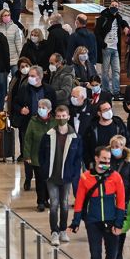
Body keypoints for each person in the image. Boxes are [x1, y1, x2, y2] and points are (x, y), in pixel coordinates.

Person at [69, 146, 127, 259]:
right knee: (95, 254)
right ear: (96, 158)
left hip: (111, 220)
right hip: (93, 221)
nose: (106, 162)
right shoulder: (85, 177)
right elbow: (79, 201)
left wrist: (119, 222)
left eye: (108, 159)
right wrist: (76, 222)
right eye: (104, 159)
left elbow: (121, 201)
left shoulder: (116, 177)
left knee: (112, 254)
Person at [38, 105, 83, 245]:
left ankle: (63, 230)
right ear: (55, 117)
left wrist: (74, 173)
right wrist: (45, 169)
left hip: (67, 177)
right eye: (59, 116)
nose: (61, 119)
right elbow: (42, 155)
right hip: (52, 176)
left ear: (68, 117)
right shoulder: (48, 135)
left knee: (64, 204)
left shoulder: (75, 137)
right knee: (54, 204)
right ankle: (54, 232)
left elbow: (78, 158)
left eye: (64, 116)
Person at [13, 66, 57, 189]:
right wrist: (21, 109)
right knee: (28, 151)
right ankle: (28, 177)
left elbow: (55, 105)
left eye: (33, 76)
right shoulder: (24, 89)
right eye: (29, 76)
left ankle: (45, 176)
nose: (30, 78)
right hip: (28, 123)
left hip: (45, 124)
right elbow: (15, 103)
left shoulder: (49, 90)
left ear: (40, 77)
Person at [109, 134, 130, 259]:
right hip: (109, 199)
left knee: (120, 229)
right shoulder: (107, 160)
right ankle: (112, 254)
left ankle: (118, 256)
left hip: (123, 200)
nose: (115, 149)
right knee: (110, 229)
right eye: (113, 147)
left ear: (123, 147)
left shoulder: (129, 162)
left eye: (118, 146)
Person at [23, 98, 56, 212]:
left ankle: (47, 199)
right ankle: (40, 201)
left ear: (49, 110)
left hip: (51, 157)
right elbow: (27, 139)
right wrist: (27, 156)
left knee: (49, 180)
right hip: (36, 156)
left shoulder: (54, 122)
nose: (41, 109)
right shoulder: (33, 121)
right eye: (39, 107)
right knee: (40, 180)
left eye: (44, 107)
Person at [94, 0, 129, 99]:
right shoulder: (103, 17)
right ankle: (106, 91)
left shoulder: (118, 17)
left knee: (116, 70)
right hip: (106, 48)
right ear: (109, 6)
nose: (114, 7)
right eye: (113, 5)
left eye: (116, 6)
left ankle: (116, 92)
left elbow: (123, 22)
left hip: (115, 48)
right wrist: (103, 44)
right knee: (105, 71)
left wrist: (126, 26)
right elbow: (97, 32)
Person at [83, 101, 130, 168]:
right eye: (105, 110)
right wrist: (90, 164)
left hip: (118, 165)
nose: (109, 111)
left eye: (109, 108)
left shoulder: (118, 124)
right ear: (99, 113)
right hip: (99, 166)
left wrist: (125, 159)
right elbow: (86, 148)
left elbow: (128, 141)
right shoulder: (92, 128)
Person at [0, 9, 23, 75]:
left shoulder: (15, 27)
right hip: (2, 60)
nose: (7, 16)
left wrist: (21, 57)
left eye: (8, 15)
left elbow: (18, 43)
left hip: (14, 59)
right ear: (1, 17)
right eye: (5, 15)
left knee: (15, 79)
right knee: (3, 83)